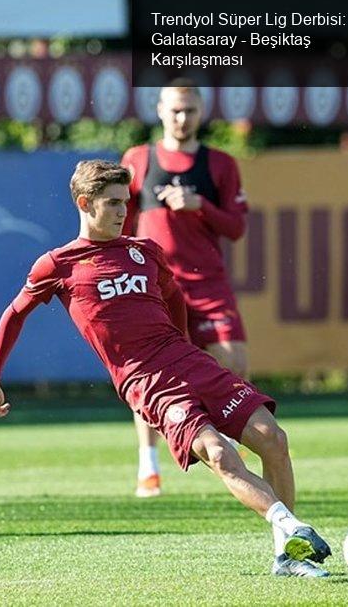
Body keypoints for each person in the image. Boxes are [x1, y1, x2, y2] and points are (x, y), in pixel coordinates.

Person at [0, 160, 331, 577]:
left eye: (125, 203)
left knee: (273, 437)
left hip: (188, 361)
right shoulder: (59, 265)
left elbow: (174, 295)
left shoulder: (144, 251)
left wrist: (182, 342)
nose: (121, 212)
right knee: (219, 453)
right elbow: (13, 314)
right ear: (84, 203)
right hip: (147, 382)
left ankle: (287, 556)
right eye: (111, 203)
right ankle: (290, 526)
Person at [121, 81, 249, 498]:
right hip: (153, 286)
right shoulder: (138, 159)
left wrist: (201, 207)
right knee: (149, 377)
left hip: (207, 283)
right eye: (175, 110)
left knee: (235, 363)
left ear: (201, 112)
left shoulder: (221, 164)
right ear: (159, 110)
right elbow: (121, 222)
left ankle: (229, 452)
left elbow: (236, 226)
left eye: (190, 110)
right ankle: (148, 464)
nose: (182, 118)